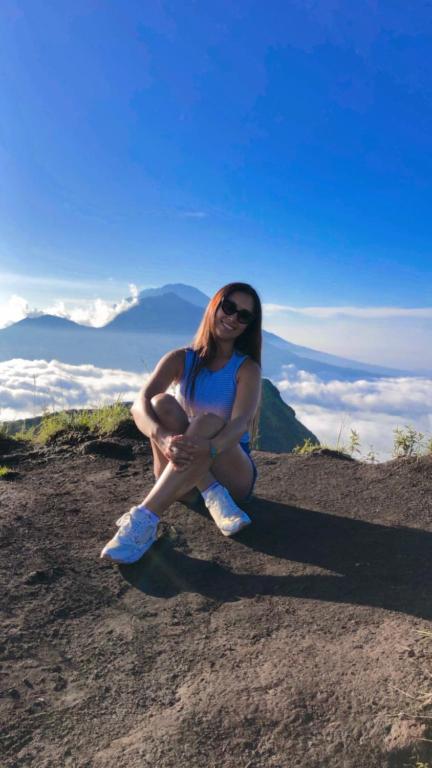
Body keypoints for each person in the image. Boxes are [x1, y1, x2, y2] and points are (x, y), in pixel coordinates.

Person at [100, 282, 262, 564]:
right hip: (180, 474)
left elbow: (239, 424)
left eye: (244, 315)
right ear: (214, 307)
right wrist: (163, 438)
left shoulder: (246, 368)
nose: (233, 317)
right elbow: (139, 405)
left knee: (206, 422)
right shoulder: (180, 359)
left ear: (249, 325)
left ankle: (145, 519)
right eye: (229, 307)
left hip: (231, 472)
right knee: (160, 403)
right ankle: (211, 491)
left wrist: (210, 448)